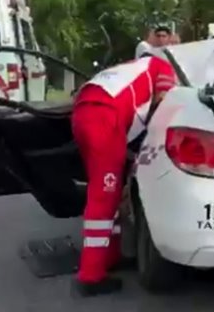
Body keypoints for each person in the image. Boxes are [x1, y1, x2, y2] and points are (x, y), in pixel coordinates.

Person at [71, 53, 178, 296]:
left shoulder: (130, 68)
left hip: (85, 112)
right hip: (104, 116)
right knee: (104, 196)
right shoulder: (162, 66)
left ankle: (110, 256)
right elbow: (163, 102)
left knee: (110, 188)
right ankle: (91, 276)